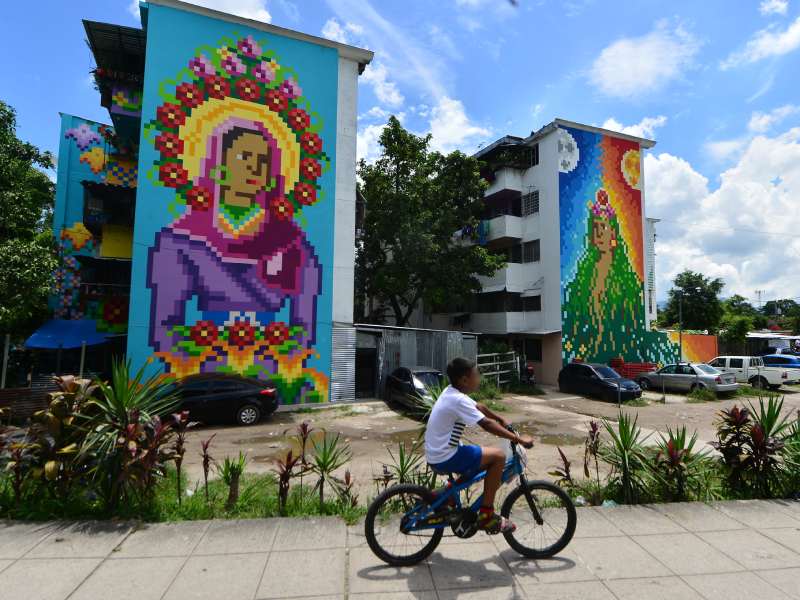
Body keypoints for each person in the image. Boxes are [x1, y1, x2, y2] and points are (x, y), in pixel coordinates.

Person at [424, 357, 534, 534]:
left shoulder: (452, 392)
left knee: (480, 461)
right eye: (476, 375)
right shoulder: (458, 400)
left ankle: (447, 494)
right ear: (464, 380)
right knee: (498, 457)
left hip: (437, 453)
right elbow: (486, 425)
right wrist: (518, 439)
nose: (479, 378)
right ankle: (487, 515)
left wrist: (501, 419)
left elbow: (479, 407)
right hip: (445, 455)